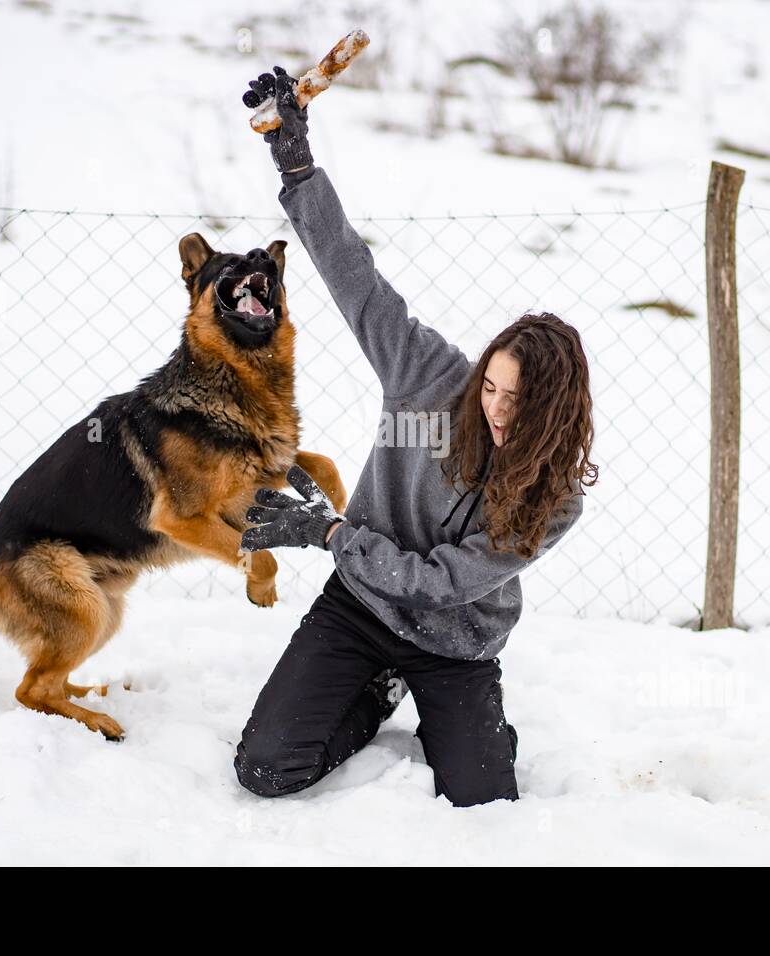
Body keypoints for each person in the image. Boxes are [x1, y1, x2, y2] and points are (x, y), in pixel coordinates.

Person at [233, 67, 599, 807]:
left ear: (553, 414)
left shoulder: (554, 501)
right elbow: (355, 278)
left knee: (484, 803)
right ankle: (377, 693)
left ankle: (452, 716)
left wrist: (331, 534)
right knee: (266, 771)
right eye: (491, 387)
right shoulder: (429, 375)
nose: (495, 407)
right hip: (361, 606)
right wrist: (296, 164)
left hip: (455, 641)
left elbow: (441, 584)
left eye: (517, 401)